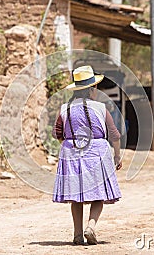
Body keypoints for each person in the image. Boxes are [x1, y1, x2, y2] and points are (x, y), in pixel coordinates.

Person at [52, 65, 122, 245]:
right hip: (98, 152)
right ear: (93, 89)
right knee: (98, 194)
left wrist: (71, 147)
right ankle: (90, 226)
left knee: (76, 196)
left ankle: (77, 234)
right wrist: (117, 155)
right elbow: (114, 134)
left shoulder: (64, 109)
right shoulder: (101, 107)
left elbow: (58, 133)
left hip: (72, 152)